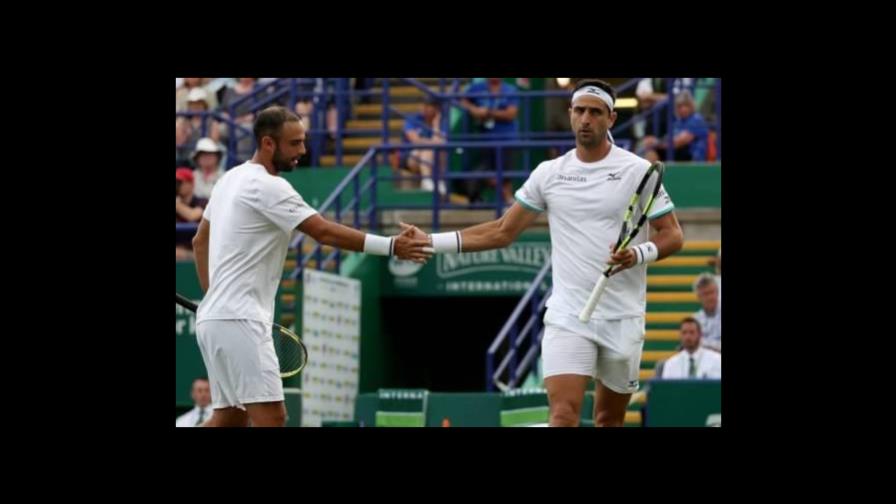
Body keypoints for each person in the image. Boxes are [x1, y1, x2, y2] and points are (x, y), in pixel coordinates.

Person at [407, 80, 683, 426]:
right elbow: (501, 230)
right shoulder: (549, 174)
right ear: (570, 114)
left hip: (623, 317)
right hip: (568, 315)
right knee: (563, 416)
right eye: (579, 110)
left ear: (611, 118)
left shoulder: (637, 171)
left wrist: (637, 254)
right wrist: (432, 241)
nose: (585, 119)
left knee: (608, 420)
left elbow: (673, 235)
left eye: (595, 112)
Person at [191, 106, 432, 427]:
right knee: (272, 418)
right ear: (267, 143)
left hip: (217, 318)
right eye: (294, 144)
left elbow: (198, 243)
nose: (302, 151)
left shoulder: (228, 179)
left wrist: (213, 298)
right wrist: (392, 245)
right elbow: (323, 231)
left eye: (303, 141)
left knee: (229, 418)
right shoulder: (269, 186)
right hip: (239, 318)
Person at [692, 272, 721, 352]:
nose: (710, 297)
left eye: (712, 292)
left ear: (717, 292)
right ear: (698, 297)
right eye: (705, 294)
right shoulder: (694, 320)